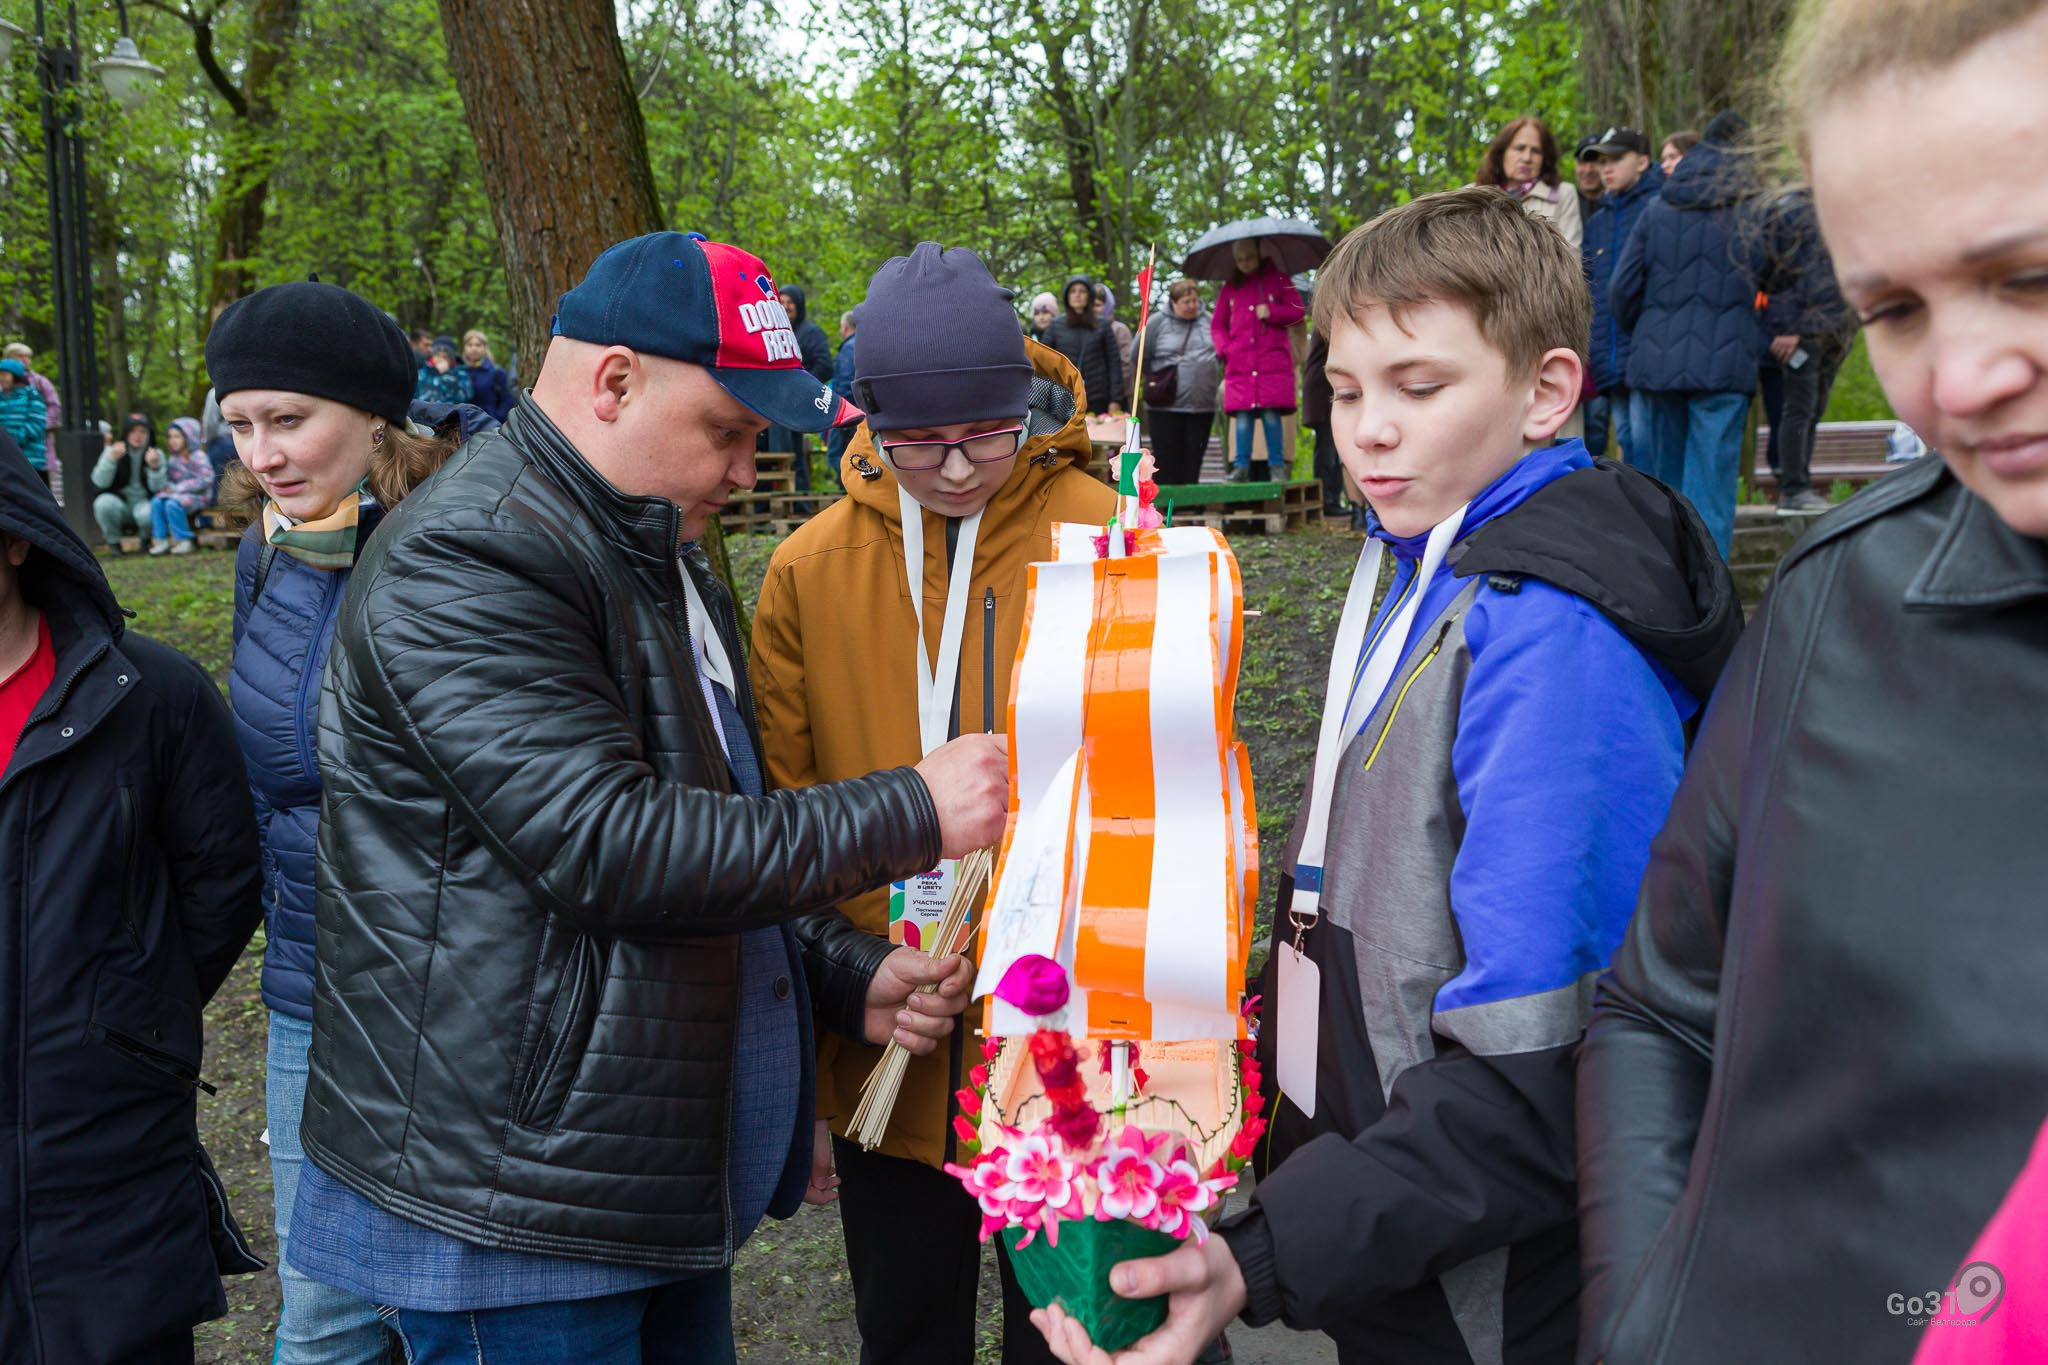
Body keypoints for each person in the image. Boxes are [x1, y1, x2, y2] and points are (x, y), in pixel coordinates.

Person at [1034, 184, 1739, 1365]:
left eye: (1418, 387)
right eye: (1345, 390)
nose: (1364, 430)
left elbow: (1542, 1067)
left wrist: (1264, 1254)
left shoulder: (1548, 632)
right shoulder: (1422, 555)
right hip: (1391, 1210)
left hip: (1491, 1280)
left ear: (1546, 390)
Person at [279, 231, 1010, 1360]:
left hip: (623, 1178)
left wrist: (838, 973)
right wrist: (910, 808)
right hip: (512, 1204)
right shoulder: (473, 554)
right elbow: (607, 844)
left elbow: (713, 817)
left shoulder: (643, 544)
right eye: (727, 430)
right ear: (614, 380)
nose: (742, 469)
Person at [1576, 0, 2048, 1359]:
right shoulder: (1844, 594)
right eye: (1892, 307)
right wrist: (1643, 1320)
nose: (1956, 383)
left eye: (2029, 274)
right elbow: (1656, 1003)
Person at [752, 241, 1116, 1365]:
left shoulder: (1106, 541)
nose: (957, 470)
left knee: (1073, 1338)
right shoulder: (808, 571)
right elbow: (779, 828)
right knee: (905, 1333)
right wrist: (835, 1035)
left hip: (1065, 1051)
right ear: (866, 421)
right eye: (918, 443)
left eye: (985, 435)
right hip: (889, 1047)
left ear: (1025, 407)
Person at [208, 280, 459, 1364]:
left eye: (288, 419)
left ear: (374, 417)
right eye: (240, 425)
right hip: (312, 990)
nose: (263, 453)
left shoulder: (456, 552)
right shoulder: (265, 551)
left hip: (449, 1002)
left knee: (432, 1314)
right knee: (321, 1317)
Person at [0, 428, 267, 1362]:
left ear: (17, 536)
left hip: (111, 1161)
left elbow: (224, 877)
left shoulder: (147, 693)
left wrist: (123, 1005)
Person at [1611, 111, 1764, 554]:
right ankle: (1712, 600)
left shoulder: (1658, 208)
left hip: (1657, 365)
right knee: (1711, 491)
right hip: (1726, 366)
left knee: (1662, 491)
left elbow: (1622, 288)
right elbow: (1781, 284)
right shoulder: (1755, 210)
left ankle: (1666, 593)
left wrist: (1648, 333)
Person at [1756, 187, 1860, 514]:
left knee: (1814, 407)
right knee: (1798, 408)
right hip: (1803, 330)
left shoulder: (1845, 202)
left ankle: (1801, 483)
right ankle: (1793, 488)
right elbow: (1770, 276)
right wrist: (1785, 327)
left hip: (1839, 325)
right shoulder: (1788, 210)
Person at [1580, 126, 1664, 461]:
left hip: (1648, 352)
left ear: (1643, 161)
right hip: (1609, 355)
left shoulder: (1658, 207)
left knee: (1648, 443)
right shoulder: (1598, 221)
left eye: (1616, 159)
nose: (1606, 169)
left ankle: (1664, 513)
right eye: (1603, 161)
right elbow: (1590, 288)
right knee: (1628, 439)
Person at [1213, 237, 1307, 482]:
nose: (1244, 263)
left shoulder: (1278, 279)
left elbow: (1297, 311)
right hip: (1240, 363)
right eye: (1240, 259)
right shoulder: (1231, 286)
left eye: (1249, 258)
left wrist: (1273, 312)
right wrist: (1225, 349)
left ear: (1259, 254)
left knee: (1270, 414)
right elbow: (1217, 325)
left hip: (1271, 362)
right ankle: (1240, 467)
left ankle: (1276, 468)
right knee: (1242, 416)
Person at [1143, 279, 1221, 484]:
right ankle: (1166, 510)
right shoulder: (1157, 322)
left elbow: (1223, 352)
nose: (1192, 306)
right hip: (1165, 407)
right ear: (1174, 302)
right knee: (1167, 460)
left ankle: (1190, 510)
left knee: (1194, 458)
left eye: (1195, 301)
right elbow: (1139, 355)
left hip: (1202, 406)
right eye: (1186, 302)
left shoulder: (1210, 321)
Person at [1477, 115, 1582, 251]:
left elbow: (1571, 257)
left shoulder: (1563, 194)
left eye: (1536, 151)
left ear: (1545, 158)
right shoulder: (1472, 193)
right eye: (1519, 148)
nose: (1527, 158)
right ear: (1502, 153)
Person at [1041, 275, 1126, 416]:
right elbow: (1043, 364)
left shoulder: (1103, 325)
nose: (1077, 295)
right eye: (1073, 291)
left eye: (1082, 291)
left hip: (1098, 399)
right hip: (1063, 399)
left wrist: (1115, 400)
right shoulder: (1055, 326)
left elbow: (1114, 363)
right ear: (1067, 296)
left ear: (1090, 296)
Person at [94, 413, 168, 551]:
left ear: (149, 434)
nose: (137, 436)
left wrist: (154, 468)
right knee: (103, 503)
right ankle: (114, 543)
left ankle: (145, 541)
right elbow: (100, 482)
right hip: (119, 503)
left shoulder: (157, 454)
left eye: (142, 432)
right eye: (133, 431)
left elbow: (159, 489)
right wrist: (111, 460)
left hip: (143, 503)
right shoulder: (112, 451)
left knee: (151, 509)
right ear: (125, 433)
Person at [147, 417, 213, 555]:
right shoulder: (173, 459)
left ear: (189, 437)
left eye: (177, 436)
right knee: (157, 501)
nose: (173, 440)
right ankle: (161, 540)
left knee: (171, 504)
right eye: (170, 437)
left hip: (199, 497)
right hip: (178, 496)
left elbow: (206, 479)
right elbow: (170, 479)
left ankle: (184, 540)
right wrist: (169, 487)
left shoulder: (198, 456)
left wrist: (178, 488)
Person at [4, 342, 62, 496]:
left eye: (27, 357)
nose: (25, 360)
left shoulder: (39, 382)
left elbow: (54, 407)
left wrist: (38, 427)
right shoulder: (3, 381)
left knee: (39, 490)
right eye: (20, 356)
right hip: (7, 450)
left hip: (37, 446)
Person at [0, 359, 49, 491]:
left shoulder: (31, 395)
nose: (1, 379)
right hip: (7, 462)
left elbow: (36, 424)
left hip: (30, 460)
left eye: (5, 375)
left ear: (15, 376)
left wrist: (12, 442)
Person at [826, 308, 860, 473]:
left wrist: (841, 410)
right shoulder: (863, 344)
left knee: (836, 455)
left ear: (845, 327)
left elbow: (845, 382)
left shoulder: (848, 348)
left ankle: (848, 489)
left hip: (846, 411)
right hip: (859, 410)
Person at [1095, 283, 1137, 404]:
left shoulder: (1119, 329)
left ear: (1108, 306)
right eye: (1090, 305)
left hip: (1115, 394)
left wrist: (1116, 394)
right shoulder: (1083, 331)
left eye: (1098, 305)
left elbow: (1126, 363)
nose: (1094, 309)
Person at [462, 328, 515, 422]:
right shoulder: (459, 371)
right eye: (470, 345)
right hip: (464, 423)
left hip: (489, 424)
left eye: (478, 345)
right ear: (465, 347)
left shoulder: (496, 372)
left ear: (485, 347)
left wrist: (496, 419)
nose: (473, 348)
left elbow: (508, 400)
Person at [414, 335, 473, 406]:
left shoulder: (461, 374)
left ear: (451, 359)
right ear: (432, 355)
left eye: (445, 356)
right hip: (423, 415)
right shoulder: (421, 374)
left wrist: (446, 374)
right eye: (437, 355)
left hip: (450, 415)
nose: (440, 359)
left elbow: (465, 397)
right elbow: (413, 399)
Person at [1571, 133, 1606, 219]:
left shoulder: (1621, 203)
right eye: (1582, 162)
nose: (1588, 170)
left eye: (1595, 161)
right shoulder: (1565, 202)